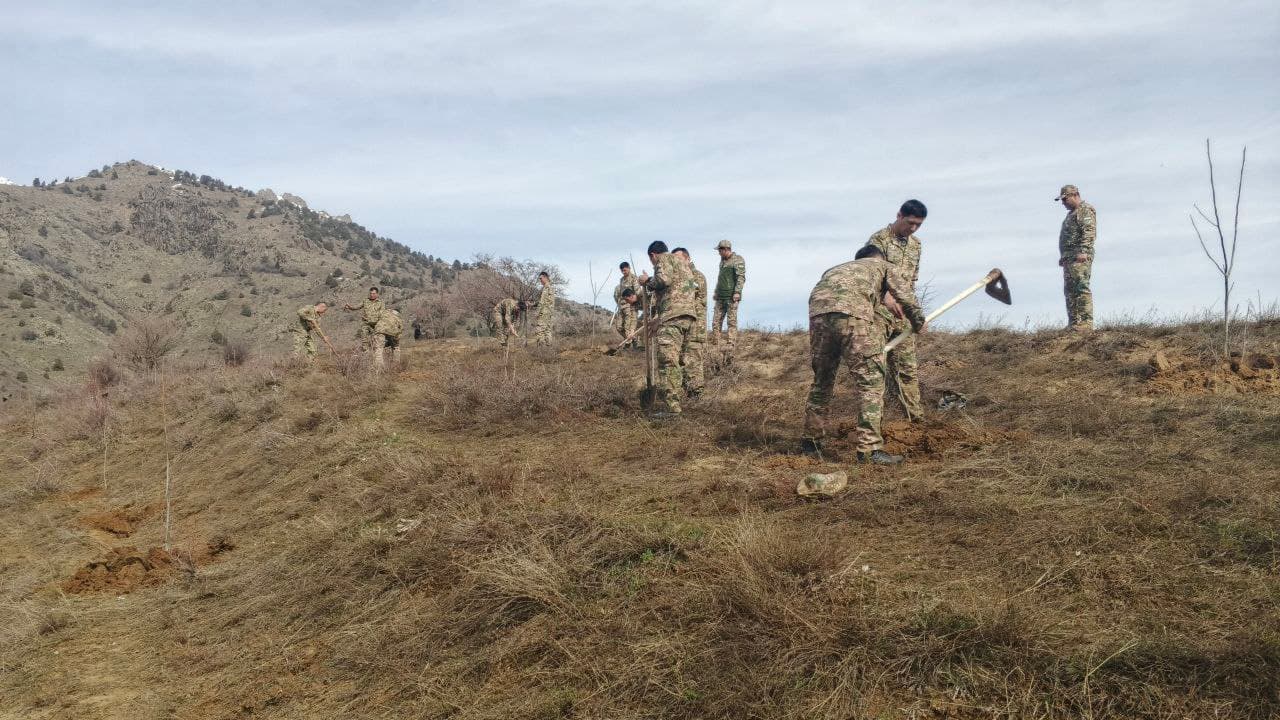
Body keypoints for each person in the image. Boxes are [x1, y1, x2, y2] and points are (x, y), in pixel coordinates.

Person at [805, 245, 927, 465]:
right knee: (870, 383)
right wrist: (918, 321)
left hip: (818, 316)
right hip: (853, 316)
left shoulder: (835, 269)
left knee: (822, 381)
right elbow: (904, 295)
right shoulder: (882, 265)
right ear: (878, 258)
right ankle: (870, 451)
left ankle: (811, 442)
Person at [863, 199, 927, 421]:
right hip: (879, 314)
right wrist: (886, 297)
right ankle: (874, 428)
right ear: (899, 215)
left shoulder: (916, 245)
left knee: (907, 371)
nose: (913, 228)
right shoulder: (878, 240)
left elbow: (911, 282)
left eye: (918, 225)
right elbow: (870, 275)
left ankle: (916, 422)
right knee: (875, 370)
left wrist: (914, 312)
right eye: (910, 222)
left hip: (903, 317)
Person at [638, 241, 698, 418]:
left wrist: (647, 280)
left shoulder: (663, 260)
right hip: (688, 317)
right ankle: (676, 403)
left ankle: (672, 409)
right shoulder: (683, 264)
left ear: (653, 255)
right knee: (676, 362)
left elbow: (663, 280)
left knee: (667, 362)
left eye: (651, 260)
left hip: (673, 318)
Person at [1056, 184, 1096, 331]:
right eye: (1062, 200)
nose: (1063, 202)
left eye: (1066, 199)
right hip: (1069, 258)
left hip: (1080, 257)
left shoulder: (1085, 210)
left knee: (1081, 287)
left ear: (1075, 195)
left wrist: (1084, 251)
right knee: (1070, 290)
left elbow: (1089, 231)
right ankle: (1074, 323)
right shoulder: (1071, 214)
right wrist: (1064, 256)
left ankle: (1086, 323)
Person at [673, 247, 707, 397]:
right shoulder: (680, 277)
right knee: (682, 360)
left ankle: (696, 394)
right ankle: (688, 392)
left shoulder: (696, 276)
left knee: (693, 361)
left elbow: (690, 300)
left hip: (695, 328)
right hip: (682, 327)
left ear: (687, 259)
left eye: (678, 259)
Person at [711, 239, 745, 352]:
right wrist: (716, 291)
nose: (718, 253)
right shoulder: (722, 262)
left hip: (731, 296)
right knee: (716, 321)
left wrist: (737, 292)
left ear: (726, 249)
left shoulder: (737, 260)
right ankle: (715, 343)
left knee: (731, 321)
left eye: (720, 250)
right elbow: (720, 278)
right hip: (720, 297)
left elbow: (741, 277)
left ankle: (731, 343)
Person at [343, 286, 385, 351]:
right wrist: (350, 307)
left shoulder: (381, 302)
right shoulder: (365, 301)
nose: (372, 295)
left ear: (377, 294)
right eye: (371, 293)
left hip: (377, 324)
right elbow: (357, 307)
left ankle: (377, 353)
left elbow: (382, 313)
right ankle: (366, 353)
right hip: (366, 323)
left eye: (373, 293)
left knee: (377, 340)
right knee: (364, 339)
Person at [614, 261, 642, 348]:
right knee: (618, 327)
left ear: (629, 268)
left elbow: (637, 293)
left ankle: (630, 345)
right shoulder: (621, 280)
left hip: (631, 306)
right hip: (621, 306)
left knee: (628, 327)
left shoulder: (634, 278)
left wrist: (635, 304)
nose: (623, 272)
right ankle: (632, 339)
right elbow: (620, 293)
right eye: (622, 271)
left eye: (625, 270)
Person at [533, 271, 555, 346]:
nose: (540, 280)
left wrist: (537, 313)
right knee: (547, 330)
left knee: (540, 331)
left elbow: (542, 302)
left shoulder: (546, 287)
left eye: (541, 278)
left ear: (545, 277)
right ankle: (548, 350)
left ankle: (541, 350)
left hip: (544, 312)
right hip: (549, 313)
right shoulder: (551, 287)